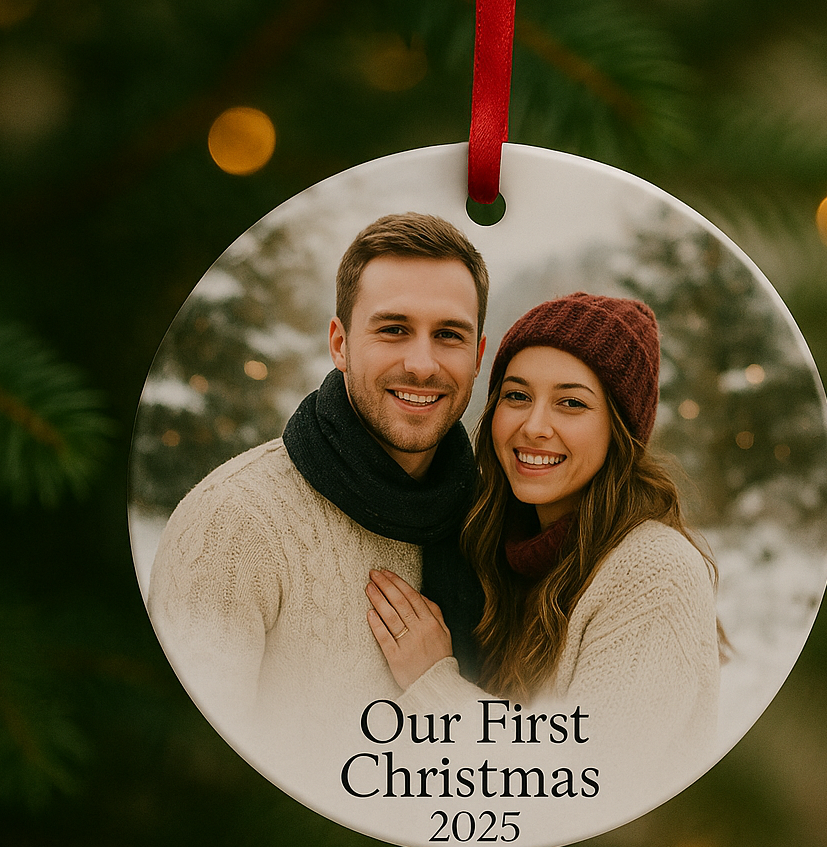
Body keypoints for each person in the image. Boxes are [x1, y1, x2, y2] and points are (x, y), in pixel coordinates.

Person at [146, 213, 488, 754]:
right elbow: (193, 772)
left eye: (448, 335)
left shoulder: (492, 518)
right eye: (393, 329)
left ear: (478, 355)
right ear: (339, 343)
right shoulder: (234, 523)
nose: (422, 365)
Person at [364, 293, 720, 772]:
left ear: (620, 430)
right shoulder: (501, 549)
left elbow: (582, 778)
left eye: (571, 403)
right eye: (517, 396)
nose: (534, 426)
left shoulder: (655, 571)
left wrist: (431, 681)